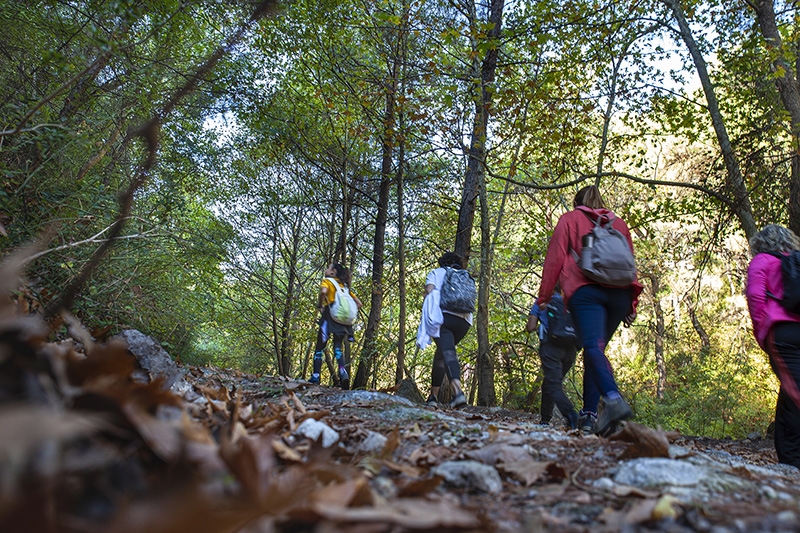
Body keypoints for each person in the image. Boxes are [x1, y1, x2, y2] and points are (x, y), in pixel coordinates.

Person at [535, 185, 643, 436]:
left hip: (586, 292)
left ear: (577, 202)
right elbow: (630, 264)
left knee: (593, 348)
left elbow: (555, 259)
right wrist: (632, 303)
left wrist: (545, 297)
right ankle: (590, 415)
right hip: (620, 293)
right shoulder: (619, 224)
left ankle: (613, 399)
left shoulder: (570, 220)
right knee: (597, 352)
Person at [745, 224, 800, 470]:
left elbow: (756, 297)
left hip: (782, 335)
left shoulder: (762, 261)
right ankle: (790, 461)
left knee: (794, 393)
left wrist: (762, 334)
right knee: (791, 392)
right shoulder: (796, 262)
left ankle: (791, 461)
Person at [416, 251, 472, 408]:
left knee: (448, 353)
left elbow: (429, 290)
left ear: (442, 263)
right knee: (441, 353)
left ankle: (458, 393)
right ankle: (433, 396)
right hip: (464, 321)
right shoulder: (464, 275)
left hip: (443, 318)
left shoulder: (436, 272)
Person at [527, 287, 580, 428]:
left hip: (551, 348)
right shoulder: (572, 301)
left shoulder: (542, 301)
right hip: (570, 350)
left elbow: (531, 326)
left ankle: (571, 416)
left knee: (553, 385)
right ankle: (545, 420)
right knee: (550, 383)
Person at [309, 263, 362, 388]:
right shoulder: (344, 287)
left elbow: (323, 292)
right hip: (343, 323)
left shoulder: (327, 281)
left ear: (333, 272)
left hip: (329, 317)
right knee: (338, 348)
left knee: (320, 347)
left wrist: (320, 305)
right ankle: (343, 372)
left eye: (328, 268)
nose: (326, 270)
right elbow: (359, 304)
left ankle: (316, 376)